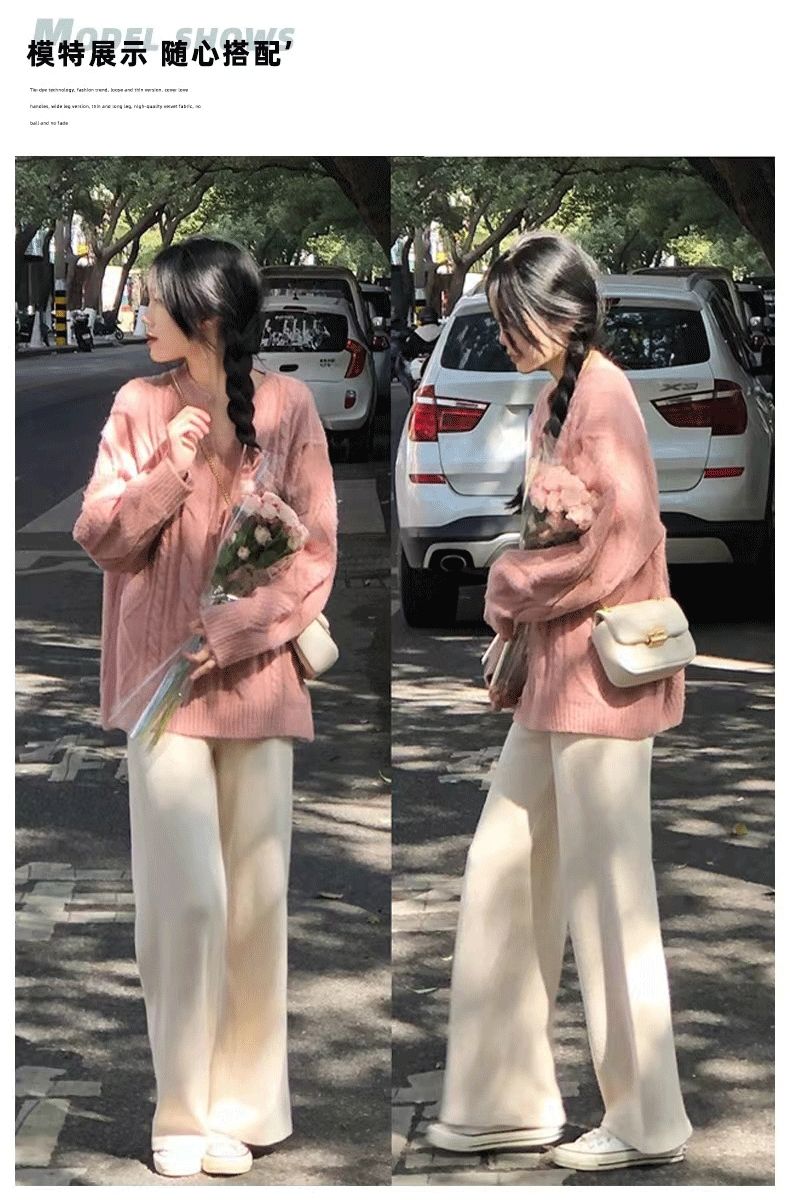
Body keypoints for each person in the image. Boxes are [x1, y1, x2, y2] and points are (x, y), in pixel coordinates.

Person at [425, 231, 693, 1173]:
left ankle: (646, 1119)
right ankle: (504, 1099)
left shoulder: (604, 396)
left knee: (610, 899)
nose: (503, 333)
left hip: (604, 685)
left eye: (514, 317)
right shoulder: (557, 396)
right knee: (502, 865)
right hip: (556, 678)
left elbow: (614, 546)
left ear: (565, 316)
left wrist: (508, 586)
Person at [72, 236, 338, 1179]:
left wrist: (233, 628)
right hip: (162, 687)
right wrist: (168, 470)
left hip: (257, 683)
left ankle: (244, 1108)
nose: (143, 314)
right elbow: (99, 535)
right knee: (185, 903)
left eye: (156, 300)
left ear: (207, 316)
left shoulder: (289, 407)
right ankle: (182, 1113)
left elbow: (317, 555)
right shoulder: (138, 405)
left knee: (255, 905)